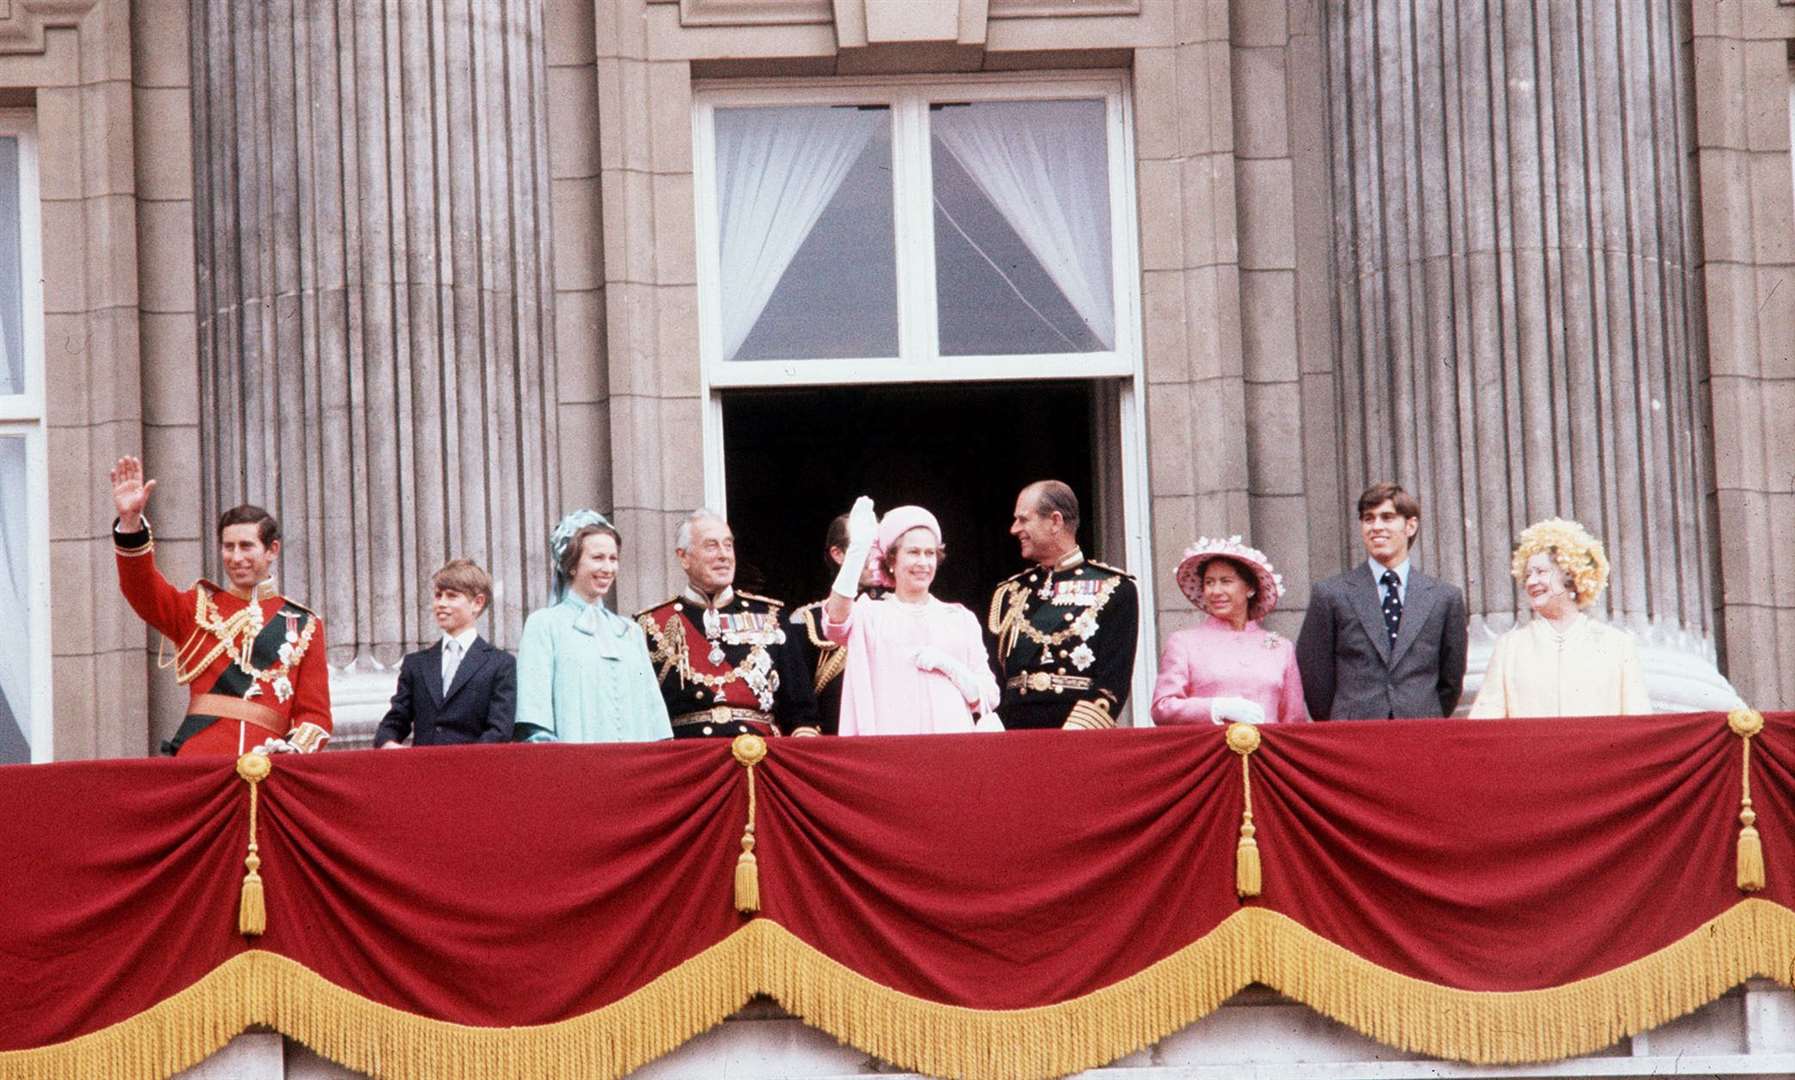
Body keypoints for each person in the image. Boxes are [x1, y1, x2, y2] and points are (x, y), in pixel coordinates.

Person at [108, 456, 332, 756]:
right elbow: (142, 590)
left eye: (246, 546)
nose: (236, 557)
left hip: (268, 764)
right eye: (229, 547)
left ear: (272, 550)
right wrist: (130, 523)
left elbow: (315, 714)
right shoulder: (197, 610)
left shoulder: (304, 624)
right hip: (202, 763)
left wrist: (292, 750)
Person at [822, 499, 999, 735]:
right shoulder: (870, 615)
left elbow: (990, 696)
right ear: (892, 560)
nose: (923, 562)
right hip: (892, 751)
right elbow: (835, 621)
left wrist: (953, 668)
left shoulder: (960, 619)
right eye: (913, 552)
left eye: (930, 553)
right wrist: (857, 552)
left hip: (953, 749)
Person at [637, 509, 818, 738]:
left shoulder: (772, 617)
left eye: (728, 545)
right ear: (683, 557)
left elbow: (802, 714)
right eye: (711, 546)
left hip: (758, 758)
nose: (724, 555)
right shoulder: (650, 625)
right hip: (688, 761)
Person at [1296, 481, 1468, 720]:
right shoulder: (1331, 593)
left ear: (1410, 526)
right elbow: (1315, 675)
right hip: (1353, 734)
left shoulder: (1444, 597)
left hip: (1419, 730)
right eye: (1368, 519)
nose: (1376, 526)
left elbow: (1451, 680)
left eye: (1387, 518)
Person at [987, 480, 1138, 730]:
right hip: (1012, 735)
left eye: (1023, 519)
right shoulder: (1011, 592)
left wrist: (1073, 736)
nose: (1015, 529)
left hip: (1076, 734)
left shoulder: (1115, 588)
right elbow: (996, 676)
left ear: (1055, 521)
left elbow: (1112, 684)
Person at [514, 511, 671, 743]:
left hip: (635, 768)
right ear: (572, 565)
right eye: (597, 558)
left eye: (613, 558)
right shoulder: (544, 625)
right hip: (576, 768)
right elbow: (535, 714)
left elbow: (653, 712)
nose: (608, 568)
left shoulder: (630, 631)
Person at [1469, 518, 1652, 718]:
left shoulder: (1617, 645)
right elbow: (1485, 725)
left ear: (1571, 575)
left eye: (1540, 572)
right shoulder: (1509, 648)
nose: (1531, 582)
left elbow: (1639, 724)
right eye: (1527, 575)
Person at [1151, 536, 1308, 726]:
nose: (1215, 591)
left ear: (1250, 588)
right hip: (1210, 752)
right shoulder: (1184, 642)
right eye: (1209, 583)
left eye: (1226, 581)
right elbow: (1162, 708)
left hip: (1266, 753)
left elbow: (1294, 721)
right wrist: (1215, 708)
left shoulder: (1281, 648)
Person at [374, 559, 517, 747]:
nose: (441, 603)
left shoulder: (500, 664)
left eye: (451, 596)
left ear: (477, 602)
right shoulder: (416, 664)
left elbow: (499, 730)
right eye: (438, 595)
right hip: (423, 770)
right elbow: (395, 720)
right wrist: (388, 743)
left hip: (473, 771)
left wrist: (460, 763)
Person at [788, 513, 885, 736]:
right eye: (868, 547)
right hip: (836, 746)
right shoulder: (806, 622)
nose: (877, 558)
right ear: (838, 554)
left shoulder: (902, 615)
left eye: (881, 548)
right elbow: (801, 707)